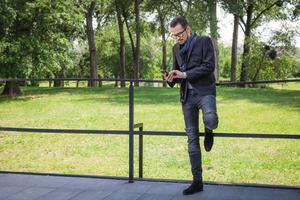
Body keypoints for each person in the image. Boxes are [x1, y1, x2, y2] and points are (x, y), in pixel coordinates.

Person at [163, 16, 218, 195]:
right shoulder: (175, 49)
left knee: (211, 119)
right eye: (174, 36)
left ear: (188, 28)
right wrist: (170, 78)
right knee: (192, 140)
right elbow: (177, 73)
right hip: (187, 97)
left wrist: (185, 74)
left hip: (205, 92)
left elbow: (209, 66)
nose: (177, 38)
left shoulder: (204, 41)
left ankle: (209, 131)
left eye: (179, 34)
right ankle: (197, 182)